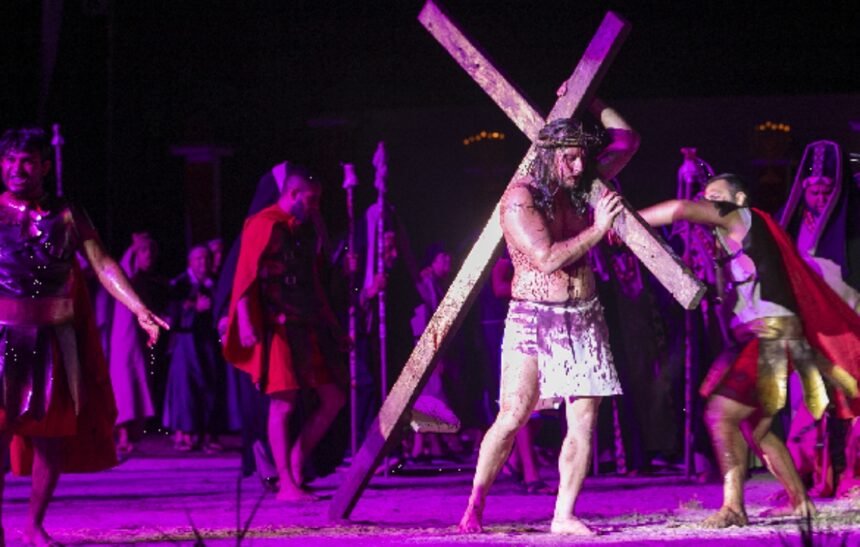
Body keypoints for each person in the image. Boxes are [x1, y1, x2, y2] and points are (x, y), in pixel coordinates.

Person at [458, 98, 639, 535]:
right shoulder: (520, 199)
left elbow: (628, 140)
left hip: (584, 316)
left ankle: (564, 514)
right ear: (549, 157)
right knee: (513, 414)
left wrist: (595, 100)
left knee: (584, 418)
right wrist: (598, 230)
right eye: (570, 158)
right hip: (532, 319)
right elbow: (545, 258)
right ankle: (475, 505)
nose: (579, 167)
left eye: (582, 157)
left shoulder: (582, 186)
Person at [638, 173, 860, 527]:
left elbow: (680, 208)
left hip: (774, 337)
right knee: (756, 428)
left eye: (716, 196)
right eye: (705, 196)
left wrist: (621, 221)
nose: (707, 202)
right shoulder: (730, 242)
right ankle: (800, 502)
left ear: (737, 199)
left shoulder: (743, 216)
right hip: (769, 338)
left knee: (720, 414)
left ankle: (733, 507)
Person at [0, 127, 167, 545]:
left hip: (55, 340)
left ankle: (34, 524)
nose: (17, 168)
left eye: (26, 160)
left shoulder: (68, 213)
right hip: (2, 339)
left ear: (44, 165)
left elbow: (103, 263)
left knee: (51, 438)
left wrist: (138, 307)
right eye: (9, 160)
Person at [222, 165, 347, 501]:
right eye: (312, 199)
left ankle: (294, 461)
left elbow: (313, 283)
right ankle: (287, 485)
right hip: (276, 328)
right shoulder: (263, 224)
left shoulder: (300, 229)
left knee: (333, 398)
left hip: (303, 324)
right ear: (293, 194)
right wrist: (246, 322)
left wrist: (333, 326)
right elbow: (245, 276)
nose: (316, 206)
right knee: (284, 404)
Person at [779, 140, 860, 497]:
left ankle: (852, 477)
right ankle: (811, 476)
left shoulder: (854, 231)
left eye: (827, 189)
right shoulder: (795, 227)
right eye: (812, 189)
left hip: (850, 328)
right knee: (808, 405)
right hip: (811, 332)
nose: (819, 197)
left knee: (853, 403)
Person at [164, 245, 239, 451]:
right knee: (185, 388)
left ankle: (208, 434)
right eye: (197, 259)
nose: (202, 263)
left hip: (207, 341)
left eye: (205, 259)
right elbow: (171, 314)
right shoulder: (180, 284)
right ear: (190, 262)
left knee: (210, 385)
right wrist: (194, 310)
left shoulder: (213, 284)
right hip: (186, 342)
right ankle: (185, 433)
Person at [109, 233, 160, 455]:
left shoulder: (142, 280)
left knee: (136, 380)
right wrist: (135, 245)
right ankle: (122, 435)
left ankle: (131, 434)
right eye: (144, 252)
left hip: (135, 339)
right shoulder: (126, 277)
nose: (150, 257)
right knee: (125, 382)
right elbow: (121, 267)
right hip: (123, 339)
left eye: (152, 252)